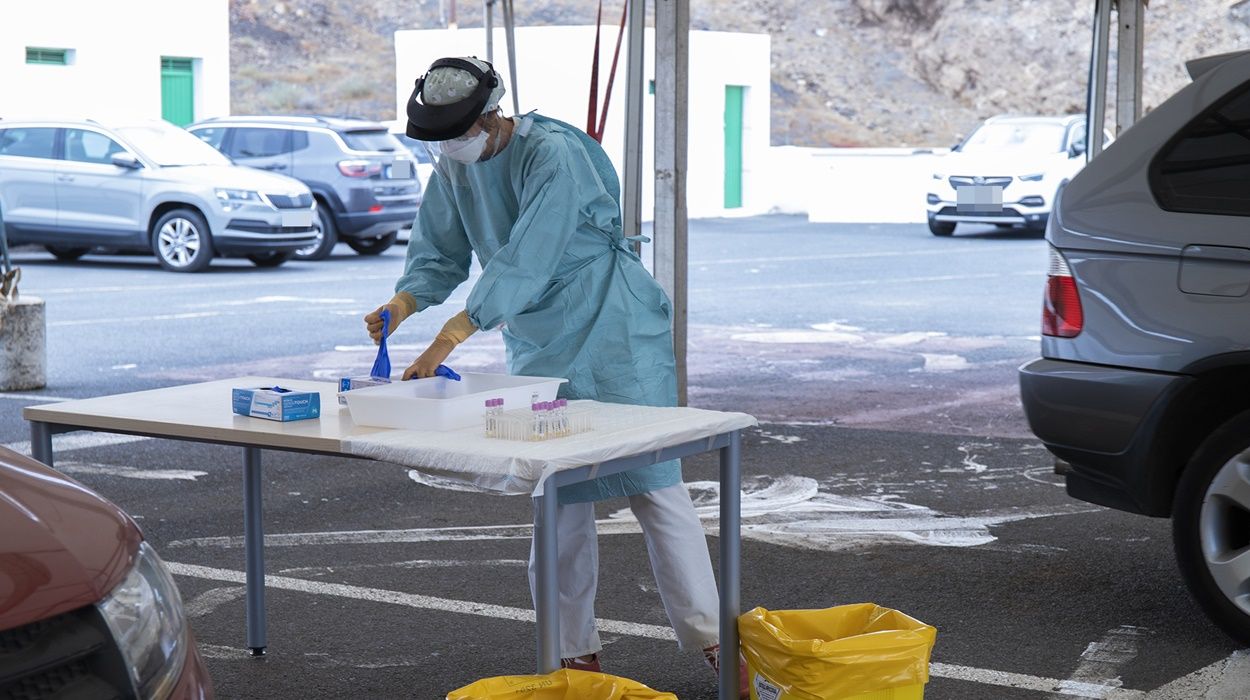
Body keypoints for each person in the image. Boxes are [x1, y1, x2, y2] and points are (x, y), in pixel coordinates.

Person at [364, 56, 746, 696]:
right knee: (559, 493)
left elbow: (530, 255)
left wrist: (456, 330)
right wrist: (405, 302)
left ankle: (716, 644)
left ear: (491, 116)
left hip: (614, 323)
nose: (449, 149)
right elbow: (440, 250)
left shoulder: (555, 154)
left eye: (456, 135)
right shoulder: (455, 165)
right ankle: (573, 656)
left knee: (655, 484)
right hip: (539, 337)